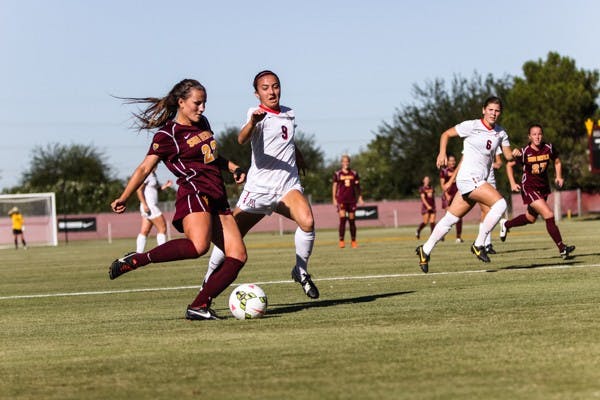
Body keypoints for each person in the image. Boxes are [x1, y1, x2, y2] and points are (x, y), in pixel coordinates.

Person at [108, 78, 248, 320]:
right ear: (181, 102)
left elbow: (211, 156)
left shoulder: (202, 122)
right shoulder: (167, 135)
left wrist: (233, 167)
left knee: (237, 256)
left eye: (204, 103)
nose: (202, 108)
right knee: (198, 247)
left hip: (217, 193)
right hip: (194, 192)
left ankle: (199, 306)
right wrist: (124, 196)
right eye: (197, 103)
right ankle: (139, 259)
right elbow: (143, 169)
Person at [203, 70, 319, 299]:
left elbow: (286, 141)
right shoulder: (256, 114)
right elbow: (241, 138)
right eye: (265, 88)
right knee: (230, 236)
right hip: (259, 190)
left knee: (307, 221)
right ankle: (207, 281)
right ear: (257, 94)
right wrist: (253, 121)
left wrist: (299, 155)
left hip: (287, 186)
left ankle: (301, 271)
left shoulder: (289, 113)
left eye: (275, 86)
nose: (271, 91)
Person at [415, 96, 515, 273]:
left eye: (497, 110)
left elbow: (508, 156)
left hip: (476, 181)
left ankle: (425, 249)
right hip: (469, 178)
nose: (493, 113)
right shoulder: (472, 125)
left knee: (450, 219)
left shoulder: (501, 133)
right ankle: (478, 244)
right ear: (483, 110)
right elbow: (445, 134)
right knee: (500, 204)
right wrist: (442, 153)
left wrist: (517, 152)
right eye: (490, 109)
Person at [499, 124, 575, 259]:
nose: (537, 136)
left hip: (543, 188)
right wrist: (512, 183)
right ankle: (562, 248)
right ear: (529, 137)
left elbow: (557, 161)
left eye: (539, 134)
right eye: (534, 134)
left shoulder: (548, 148)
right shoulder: (524, 152)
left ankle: (506, 224)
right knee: (549, 214)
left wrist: (558, 176)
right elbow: (509, 165)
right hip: (529, 188)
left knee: (530, 218)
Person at [135, 166, 173, 253]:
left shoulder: (153, 175)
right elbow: (139, 190)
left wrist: (165, 186)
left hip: (149, 206)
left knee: (145, 230)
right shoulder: (147, 174)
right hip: (149, 206)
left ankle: (138, 253)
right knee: (162, 227)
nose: (156, 165)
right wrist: (145, 204)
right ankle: (163, 252)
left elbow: (156, 189)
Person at [332, 154, 364, 248]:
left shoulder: (354, 173)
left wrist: (360, 197)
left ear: (349, 162)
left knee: (352, 220)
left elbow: (358, 187)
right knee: (342, 220)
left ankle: (353, 241)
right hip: (341, 199)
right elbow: (334, 186)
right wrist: (334, 198)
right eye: (344, 161)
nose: (346, 163)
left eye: (347, 161)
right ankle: (341, 240)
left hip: (352, 200)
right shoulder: (337, 174)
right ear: (342, 163)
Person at [439, 155, 463, 243]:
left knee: (459, 217)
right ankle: (441, 235)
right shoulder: (444, 171)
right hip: (447, 196)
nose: (452, 162)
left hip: (457, 196)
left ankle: (458, 237)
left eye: (454, 160)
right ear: (447, 162)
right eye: (450, 160)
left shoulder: (458, 171)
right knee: (449, 217)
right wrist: (446, 194)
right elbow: (442, 185)